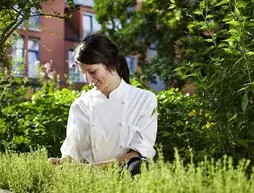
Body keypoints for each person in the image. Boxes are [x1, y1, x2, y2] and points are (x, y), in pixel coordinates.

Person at [48, 34, 158, 176]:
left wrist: (92, 169)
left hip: (127, 178)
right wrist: (63, 162)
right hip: (89, 180)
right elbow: (72, 149)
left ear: (110, 63)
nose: (88, 79)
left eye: (92, 71)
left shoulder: (143, 100)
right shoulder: (80, 105)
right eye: (83, 73)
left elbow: (139, 153)